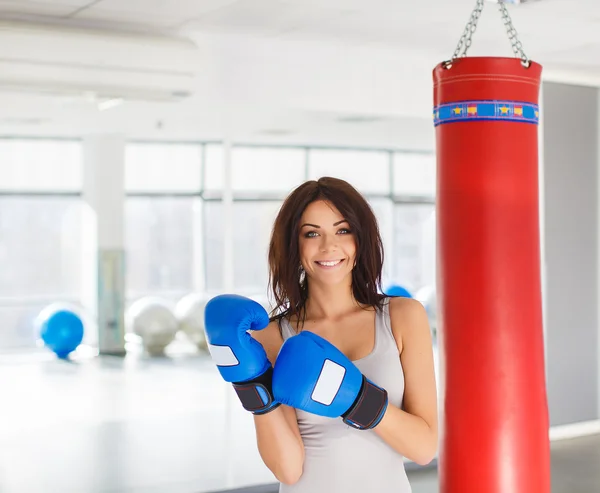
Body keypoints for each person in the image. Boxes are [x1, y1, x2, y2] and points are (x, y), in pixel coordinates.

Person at [204, 176, 438, 493]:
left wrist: (356, 399)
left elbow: (424, 448)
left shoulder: (402, 317)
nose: (329, 246)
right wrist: (250, 384)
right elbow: (287, 469)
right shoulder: (272, 335)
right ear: (294, 245)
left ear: (361, 239)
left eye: (343, 230)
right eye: (312, 233)